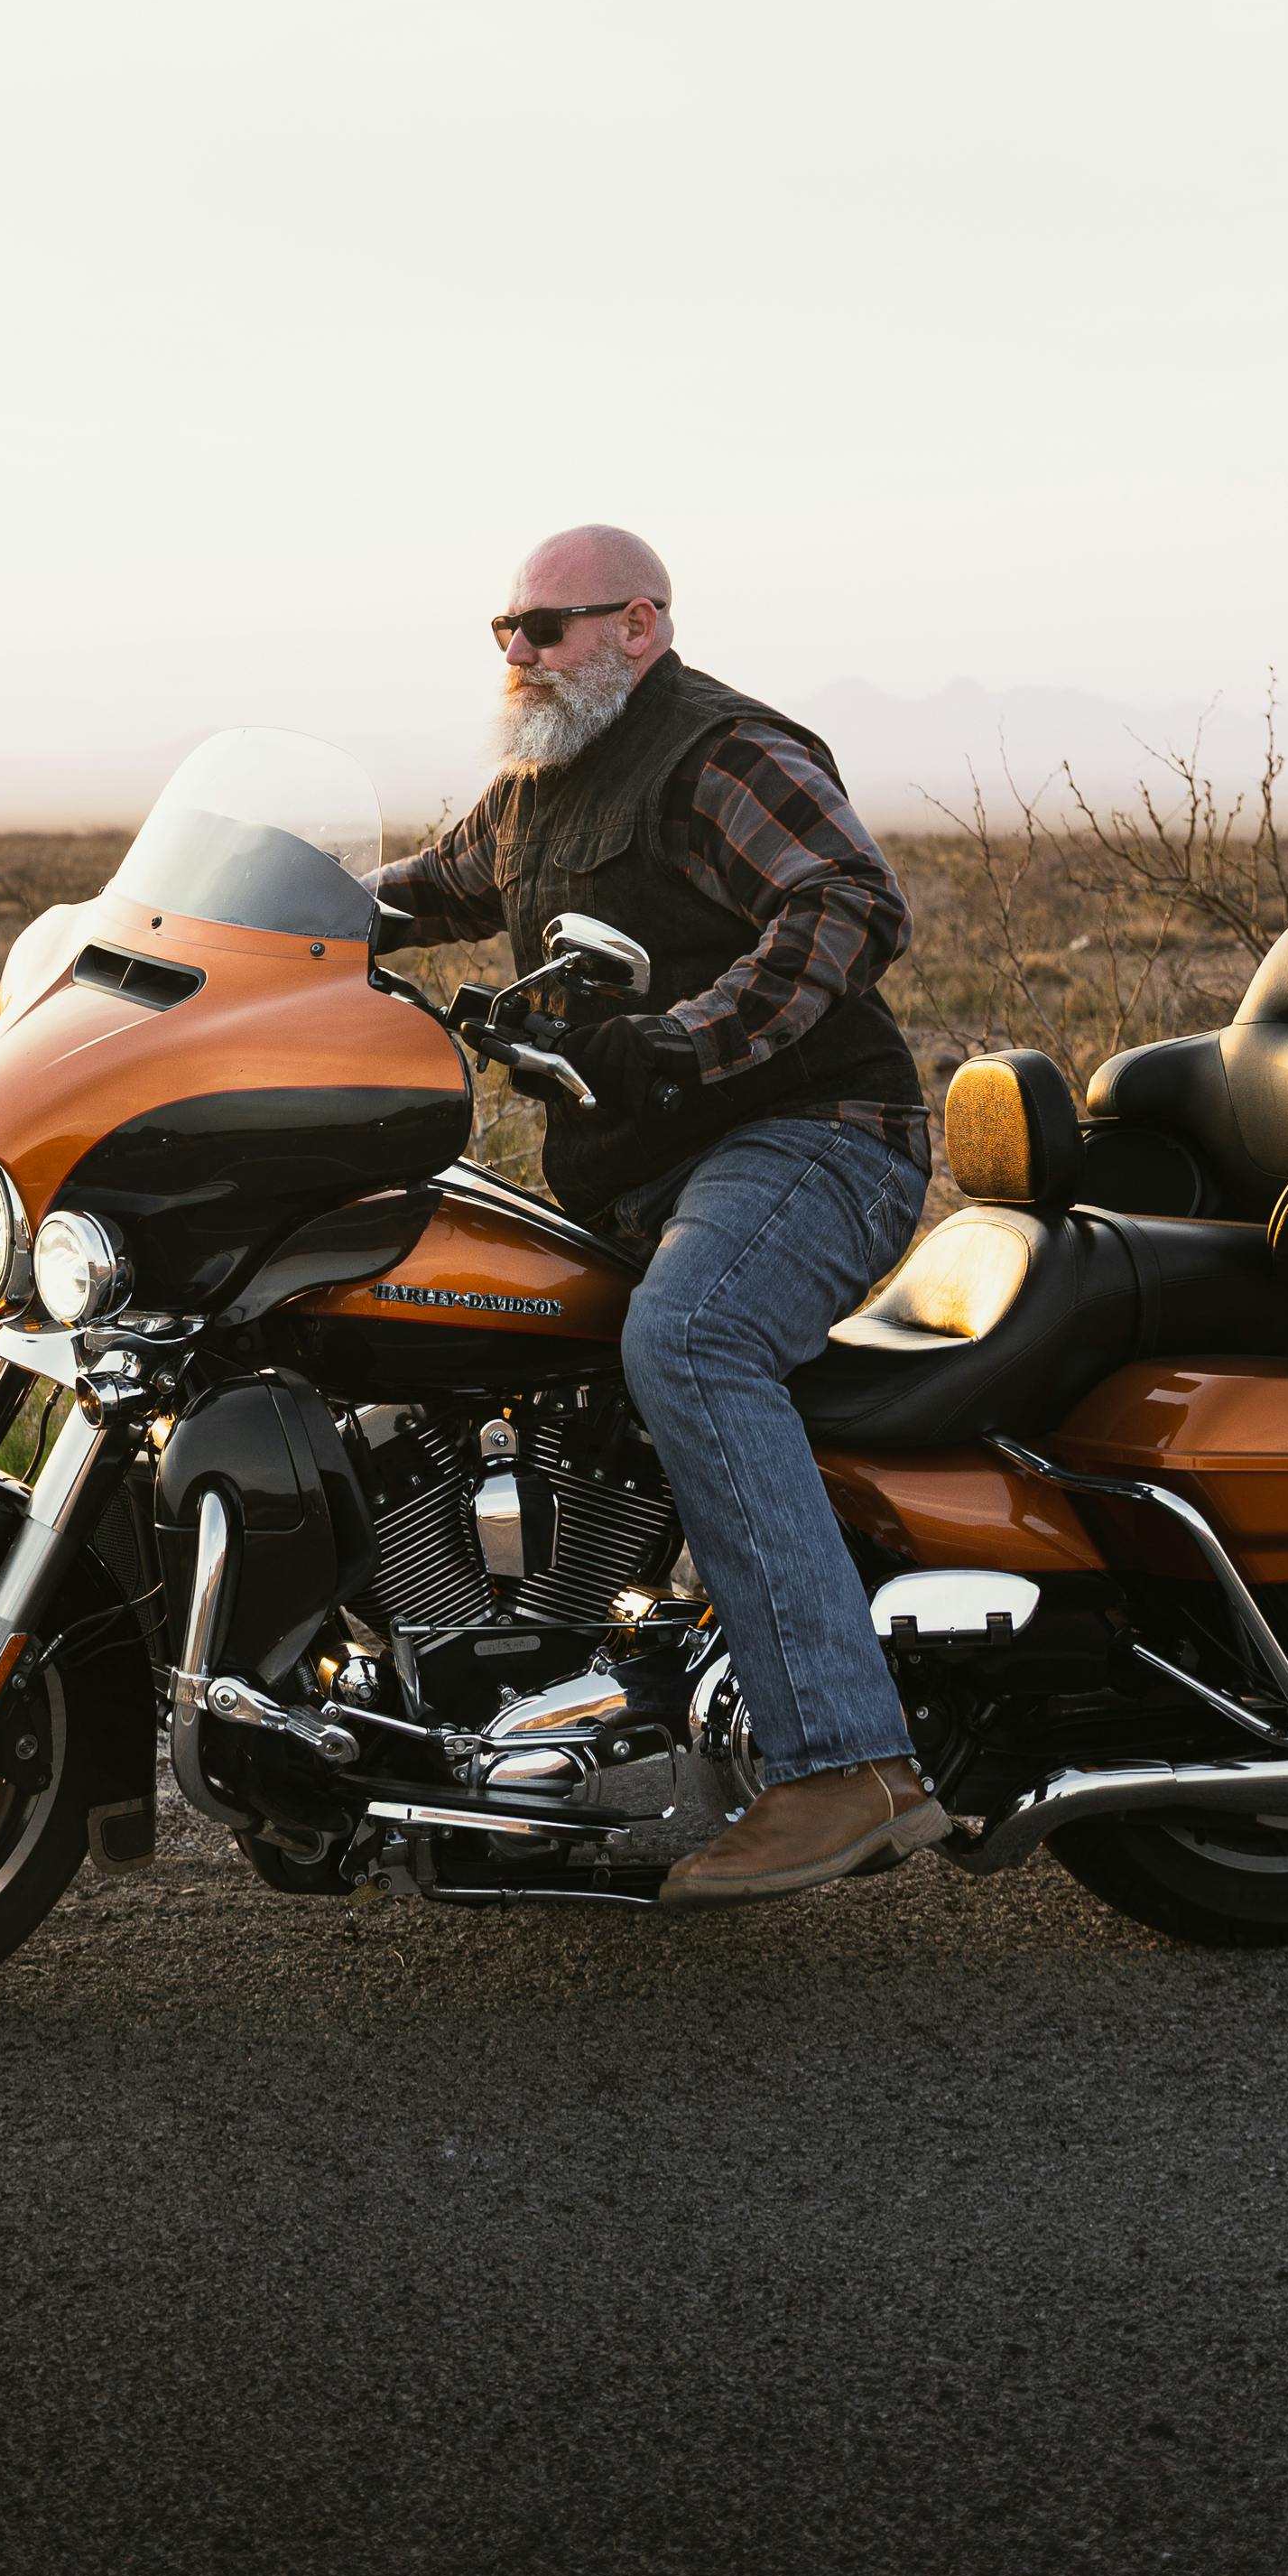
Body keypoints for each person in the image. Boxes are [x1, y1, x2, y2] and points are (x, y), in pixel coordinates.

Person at [372, 523, 949, 1902]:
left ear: (639, 624)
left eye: (546, 627)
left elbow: (846, 901)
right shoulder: (534, 787)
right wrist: (204, 929)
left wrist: (684, 1038)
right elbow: (406, 896)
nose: (518, 652)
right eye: (503, 629)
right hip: (646, 1168)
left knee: (687, 1340)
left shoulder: (718, 751)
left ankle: (849, 1768)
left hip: (806, 1136)